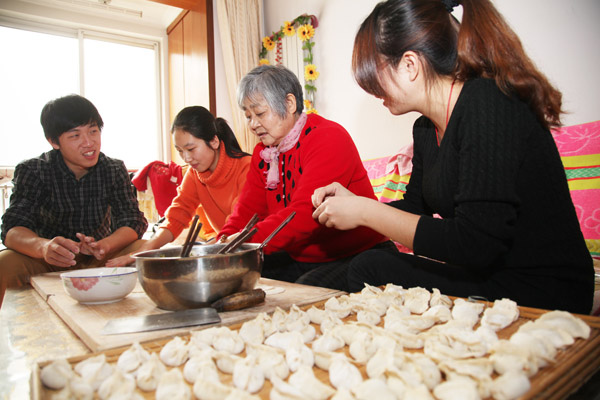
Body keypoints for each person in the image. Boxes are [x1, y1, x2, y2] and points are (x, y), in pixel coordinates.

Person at [312, 0, 594, 314]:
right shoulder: (426, 128)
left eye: (373, 75)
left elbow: (475, 244)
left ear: (409, 65)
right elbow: (414, 208)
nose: (371, 89)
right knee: (331, 274)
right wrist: (354, 204)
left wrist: (365, 212)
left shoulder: (488, 104)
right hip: (490, 275)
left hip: (544, 289)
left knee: (371, 267)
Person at [218, 65, 395, 291]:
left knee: (305, 292)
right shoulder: (264, 155)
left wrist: (238, 245)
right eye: (248, 116)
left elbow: (304, 215)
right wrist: (221, 244)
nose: (253, 124)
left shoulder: (328, 138)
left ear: (289, 104)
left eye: (260, 113)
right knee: (234, 279)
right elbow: (246, 211)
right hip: (303, 257)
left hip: (360, 254)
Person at [0, 94, 148, 307]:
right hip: (47, 261)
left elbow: (133, 221)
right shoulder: (34, 170)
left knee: (145, 251)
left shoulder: (113, 169)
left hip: (99, 258)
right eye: (75, 135)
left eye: (93, 131)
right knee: (4, 263)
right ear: (53, 142)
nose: (89, 143)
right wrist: (44, 247)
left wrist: (104, 245)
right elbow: (12, 229)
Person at [106, 106, 251, 267]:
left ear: (214, 141)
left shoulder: (246, 168)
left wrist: (205, 251)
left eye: (191, 149)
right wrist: (142, 252)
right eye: (180, 151)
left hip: (254, 252)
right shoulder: (194, 173)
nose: (186, 158)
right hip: (227, 248)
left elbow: (239, 225)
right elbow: (177, 216)